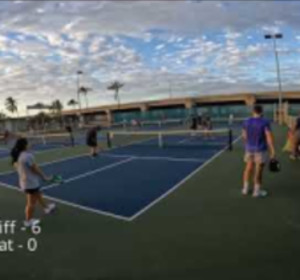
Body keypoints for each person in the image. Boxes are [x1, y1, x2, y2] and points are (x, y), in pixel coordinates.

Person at [11, 138, 56, 227]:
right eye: (28, 143)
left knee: (38, 194)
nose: (30, 144)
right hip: (30, 183)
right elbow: (35, 169)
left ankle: (46, 208)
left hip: (26, 182)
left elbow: (18, 167)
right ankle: (28, 221)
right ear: (24, 145)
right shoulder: (27, 156)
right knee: (31, 203)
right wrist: (44, 177)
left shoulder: (18, 156)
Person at [242, 105, 276, 198]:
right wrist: (272, 150)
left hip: (249, 149)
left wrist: (247, 146)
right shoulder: (265, 122)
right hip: (260, 149)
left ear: (253, 111)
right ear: (261, 112)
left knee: (248, 168)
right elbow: (268, 137)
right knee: (258, 170)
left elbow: (244, 136)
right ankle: (256, 192)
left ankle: (245, 189)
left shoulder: (246, 121)